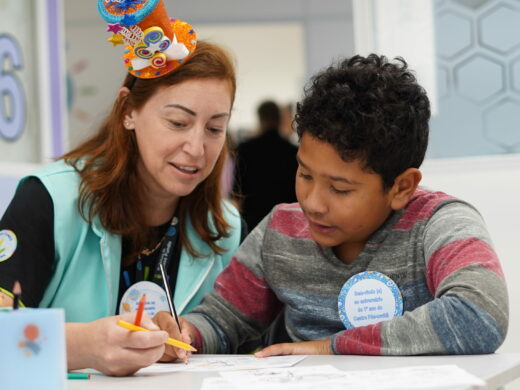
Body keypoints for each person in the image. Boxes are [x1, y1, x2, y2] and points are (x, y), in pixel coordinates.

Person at [156, 54, 509, 360]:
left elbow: (480, 315)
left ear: (401, 186)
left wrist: (331, 347)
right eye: (305, 174)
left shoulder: (440, 224)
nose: (312, 203)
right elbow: (221, 320)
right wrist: (185, 334)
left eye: (340, 189)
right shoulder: (280, 232)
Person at [0, 0, 243, 376]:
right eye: (178, 122)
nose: (197, 149)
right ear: (128, 111)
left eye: (214, 128)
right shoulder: (49, 201)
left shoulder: (222, 226)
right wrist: (80, 348)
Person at [232, 100, 298, 230]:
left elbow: (237, 190)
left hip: (253, 221)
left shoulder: (244, 149)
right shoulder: (293, 152)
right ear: (279, 119)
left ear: (260, 118)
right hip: (284, 222)